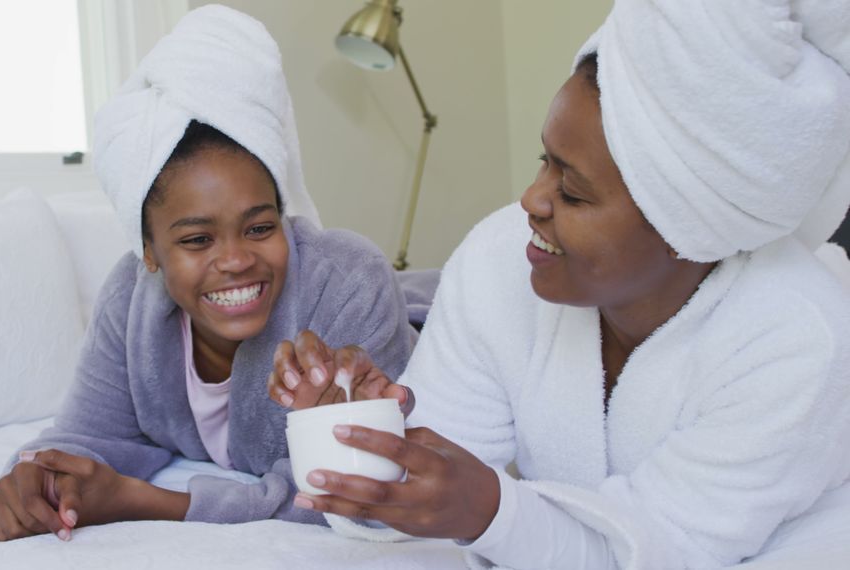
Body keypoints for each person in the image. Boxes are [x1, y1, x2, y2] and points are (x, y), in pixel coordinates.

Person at [269, 1, 850, 568]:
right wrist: (361, 432)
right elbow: (433, 487)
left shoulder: (798, 339)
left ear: (687, 226)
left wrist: (494, 512)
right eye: (542, 161)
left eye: (572, 191)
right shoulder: (501, 261)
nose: (531, 200)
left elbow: (659, 548)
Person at [0, 6, 417, 542]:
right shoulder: (131, 299)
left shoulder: (347, 286)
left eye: (258, 228)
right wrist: (39, 478)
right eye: (197, 239)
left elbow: (358, 488)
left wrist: (145, 501)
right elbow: (90, 433)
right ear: (149, 252)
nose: (234, 260)